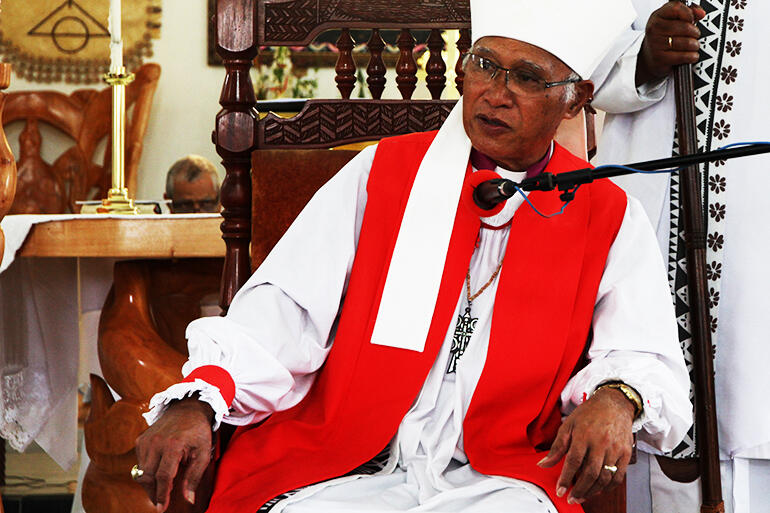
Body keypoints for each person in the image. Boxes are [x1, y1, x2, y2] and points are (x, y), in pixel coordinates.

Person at [136, 1, 692, 512]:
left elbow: (643, 350)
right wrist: (201, 398)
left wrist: (619, 397)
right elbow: (284, 308)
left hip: (499, 477)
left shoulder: (605, 210)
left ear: (575, 96)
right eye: (484, 65)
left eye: (526, 78)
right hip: (340, 463)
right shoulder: (383, 172)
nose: (495, 93)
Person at [591, 1, 770, 511]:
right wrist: (643, 60)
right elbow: (573, 66)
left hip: (757, 212)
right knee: (645, 376)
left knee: (753, 376)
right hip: (650, 201)